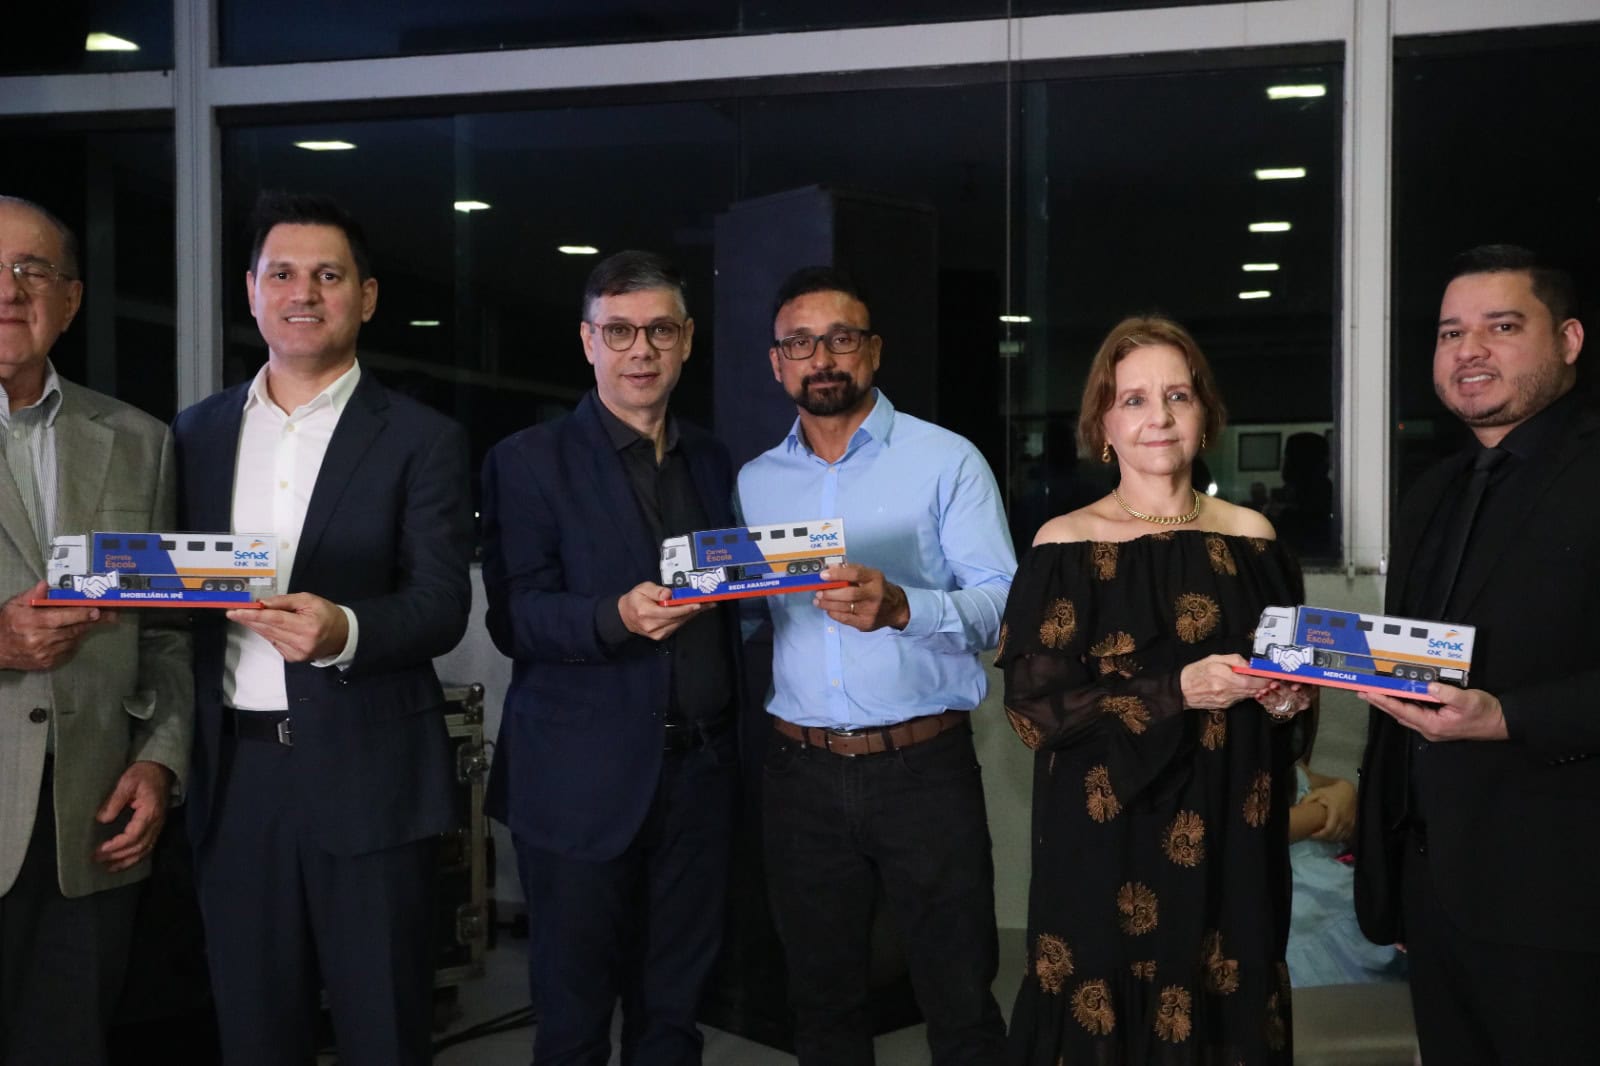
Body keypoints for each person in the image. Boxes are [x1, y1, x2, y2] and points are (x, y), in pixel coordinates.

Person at [173, 191, 473, 1066]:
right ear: (251, 291)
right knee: (254, 1031)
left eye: (328, 276)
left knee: (384, 1030)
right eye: (283, 274)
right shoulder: (194, 434)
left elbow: (443, 603)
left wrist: (344, 629)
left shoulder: (422, 437)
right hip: (236, 777)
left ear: (366, 297)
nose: (303, 293)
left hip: (371, 772)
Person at [999, 315, 1311, 1064]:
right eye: (1133, 399)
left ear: (1205, 414)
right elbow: (1035, 711)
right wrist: (1178, 689)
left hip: (1234, 823)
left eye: (1178, 395)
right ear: (1103, 424)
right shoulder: (1062, 544)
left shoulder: (1256, 540)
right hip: (1107, 832)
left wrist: (1287, 700)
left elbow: (1296, 690)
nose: (1159, 417)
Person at [736, 266, 1014, 1066]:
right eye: (800, 343)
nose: (821, 358)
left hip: (922, 767)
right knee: (821, 1006)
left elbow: (1001, 606)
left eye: (841, 338)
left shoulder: (946, 460)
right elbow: (753, 612)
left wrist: (902, 607)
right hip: (799, 772)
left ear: (874, 350)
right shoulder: (756, 482)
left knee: (960, 1000)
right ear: (777, 363)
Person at [481, 250, 740, 1066]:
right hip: (577, 782)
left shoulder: (713, 460)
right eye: (620, 331)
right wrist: (614, 616)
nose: (641, 350)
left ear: (687, 340)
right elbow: (515, 616)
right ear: (588, 341)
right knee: (574, 1020)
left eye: (660, 330)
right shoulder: (527, 460)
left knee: (675, 1016)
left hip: (699, 780)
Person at [1354, 244, 1599, 1064]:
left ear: (1568, 339)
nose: (1470, 351)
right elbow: (1412, 672)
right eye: (1450, 332)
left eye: (1502, 326)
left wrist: (1506, 717)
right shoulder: (1434, 492)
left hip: (1566, 905)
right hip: (1436, 898)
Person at [0, 195, 191, 1065]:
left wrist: (160, 759)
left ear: (70, 300)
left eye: (32, 270)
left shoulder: (140, 441)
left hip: (91, 827)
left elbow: (166, 635)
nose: (10, 291)